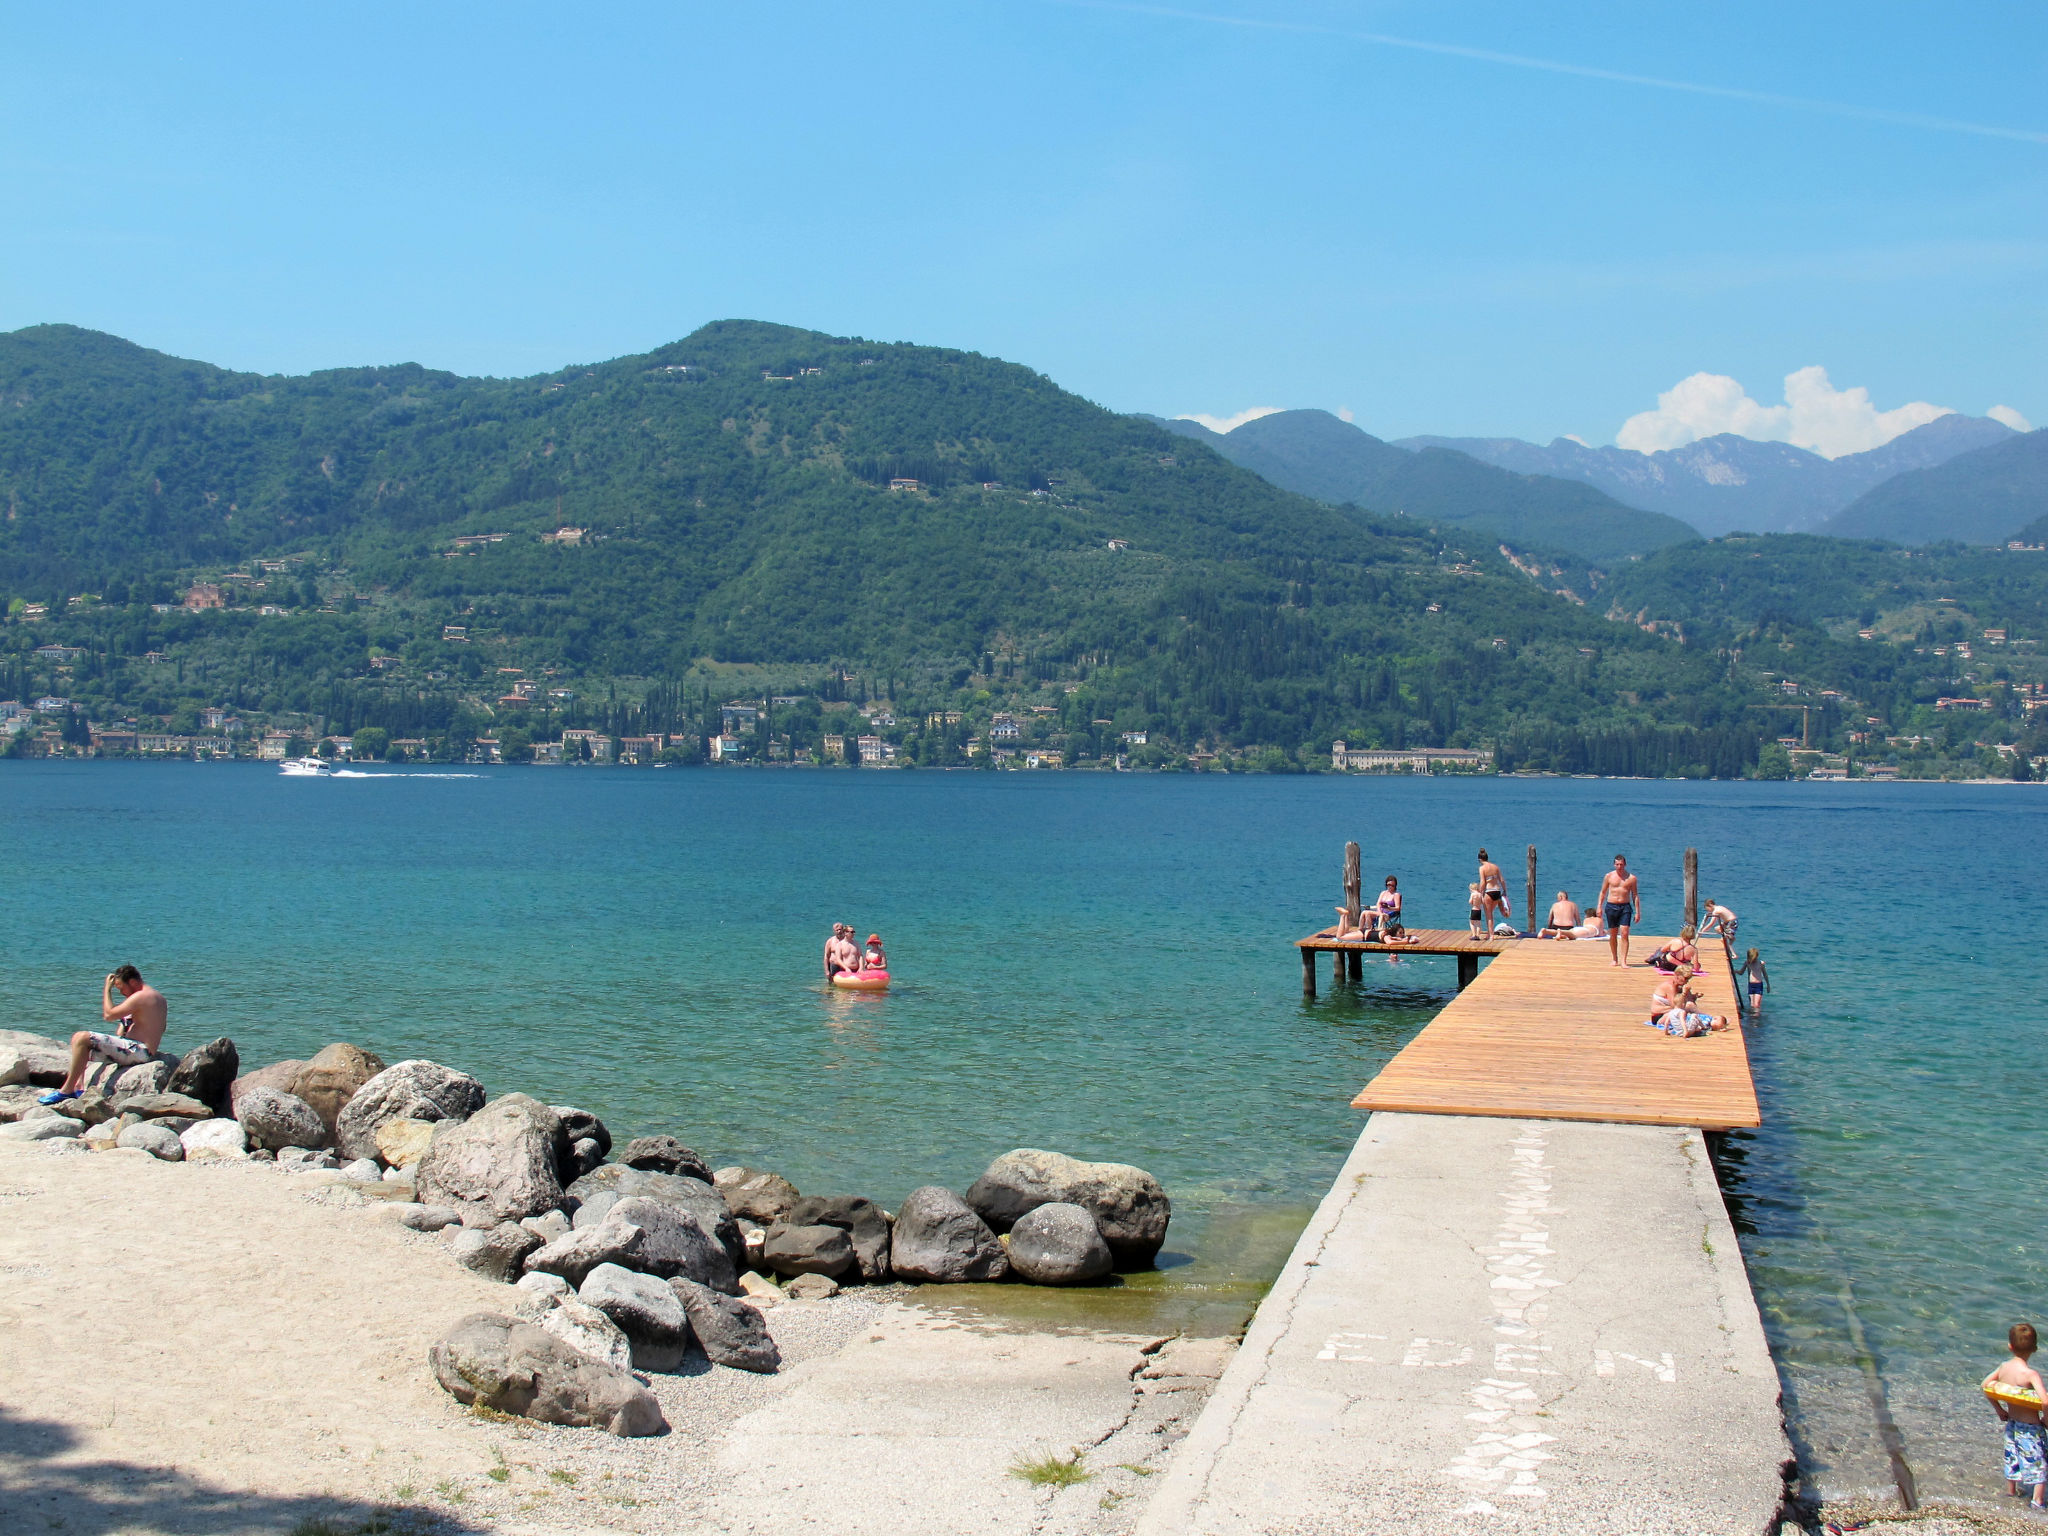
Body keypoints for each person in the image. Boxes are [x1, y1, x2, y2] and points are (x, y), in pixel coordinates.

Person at [40, 966, 167, 1104]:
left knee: (82, 1037)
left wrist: (107, 989)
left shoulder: (142, 996)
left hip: (140, 1051)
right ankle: (78, 1087)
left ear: (132, 982)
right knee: (79, 1042)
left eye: (121, 988)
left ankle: (66, 1091)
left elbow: (108, 1015)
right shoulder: (156, 997)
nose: (121, 993)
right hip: (138, 1049)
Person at [1986, 1322, 2046, 1508]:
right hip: (2031, 1428)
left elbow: (1986, 1385)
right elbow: (2045, 1401)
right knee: (2039, 1463)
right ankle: (2037, 1501)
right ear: (2035, 1349)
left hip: (2012, 1424)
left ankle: (2011, 1491)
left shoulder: (2004, 1368)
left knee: (2012, 1456)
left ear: (2010, 1346)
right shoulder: (2030, 1374)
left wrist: (1999, 1409)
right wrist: (2046, 1419)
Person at [1647, 965, 1730, 1036]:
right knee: (1689, 1006)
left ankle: (1709, 1021)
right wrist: (1684, 994)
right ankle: (1710, 1020)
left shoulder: (1679, 985)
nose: (1686, 981)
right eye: (1685, 978)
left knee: (1690, 1005)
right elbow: (1675, 1006)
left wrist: (1693, 996)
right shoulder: (1670, 987)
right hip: (1659, 1016)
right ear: (1677, 976)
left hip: (1671, 1012)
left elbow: (1686, 1002)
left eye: (1688, 979)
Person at [1598, 855, 1640, 968]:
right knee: (1613, 934)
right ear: (1614, 864)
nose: (1619, 866)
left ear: (1625, 864)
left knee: (1625, 933)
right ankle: (1614, 959)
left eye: (1621, 864)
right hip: (1611, 906)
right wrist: (1599, 907)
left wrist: (1637, 912)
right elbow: (1603, 892)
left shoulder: (1631, 878)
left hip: (1625, 907)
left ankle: (1624, 961)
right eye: (1617, 864)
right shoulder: (1609, 876)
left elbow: (1635, 895)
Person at [1476, 849, 1510, 933]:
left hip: (1489, 891)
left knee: (1489, 915)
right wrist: (1505, 890)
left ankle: (1491, 935)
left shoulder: (1482, 868)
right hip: (1497, 891)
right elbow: (1502, 880)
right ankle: (1504, 911)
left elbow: (1483, 882)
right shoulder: (1495, 867)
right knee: (1491, 912)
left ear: (1480, 859)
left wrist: (1480, 893)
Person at [1741, 948, 1770, 1014]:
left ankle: (1756, 1019)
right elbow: (1741, 972)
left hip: (1758, 985)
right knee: (1752, 1005)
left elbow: (1765, 974)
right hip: (1751, 985)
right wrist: (1735, 971)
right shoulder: (1747, 963)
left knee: (1756, 1005)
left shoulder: (1760, 963)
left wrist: (1768, 985)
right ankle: (1752, 1018)